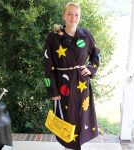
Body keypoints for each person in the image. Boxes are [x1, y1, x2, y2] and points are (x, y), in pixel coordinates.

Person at [44, 2, 100, 150]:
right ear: (63, 16)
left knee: (81, 116)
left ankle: (79, 146)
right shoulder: (53, 38)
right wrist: (53, 91)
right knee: (66, 119)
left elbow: (96, 54)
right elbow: (47, 66)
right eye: (69, 14)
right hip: (64, 85)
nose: (73, 17)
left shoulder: (86, 35)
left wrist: (91, 68)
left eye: (76, 14)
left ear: (79, 17)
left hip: (82, 85)